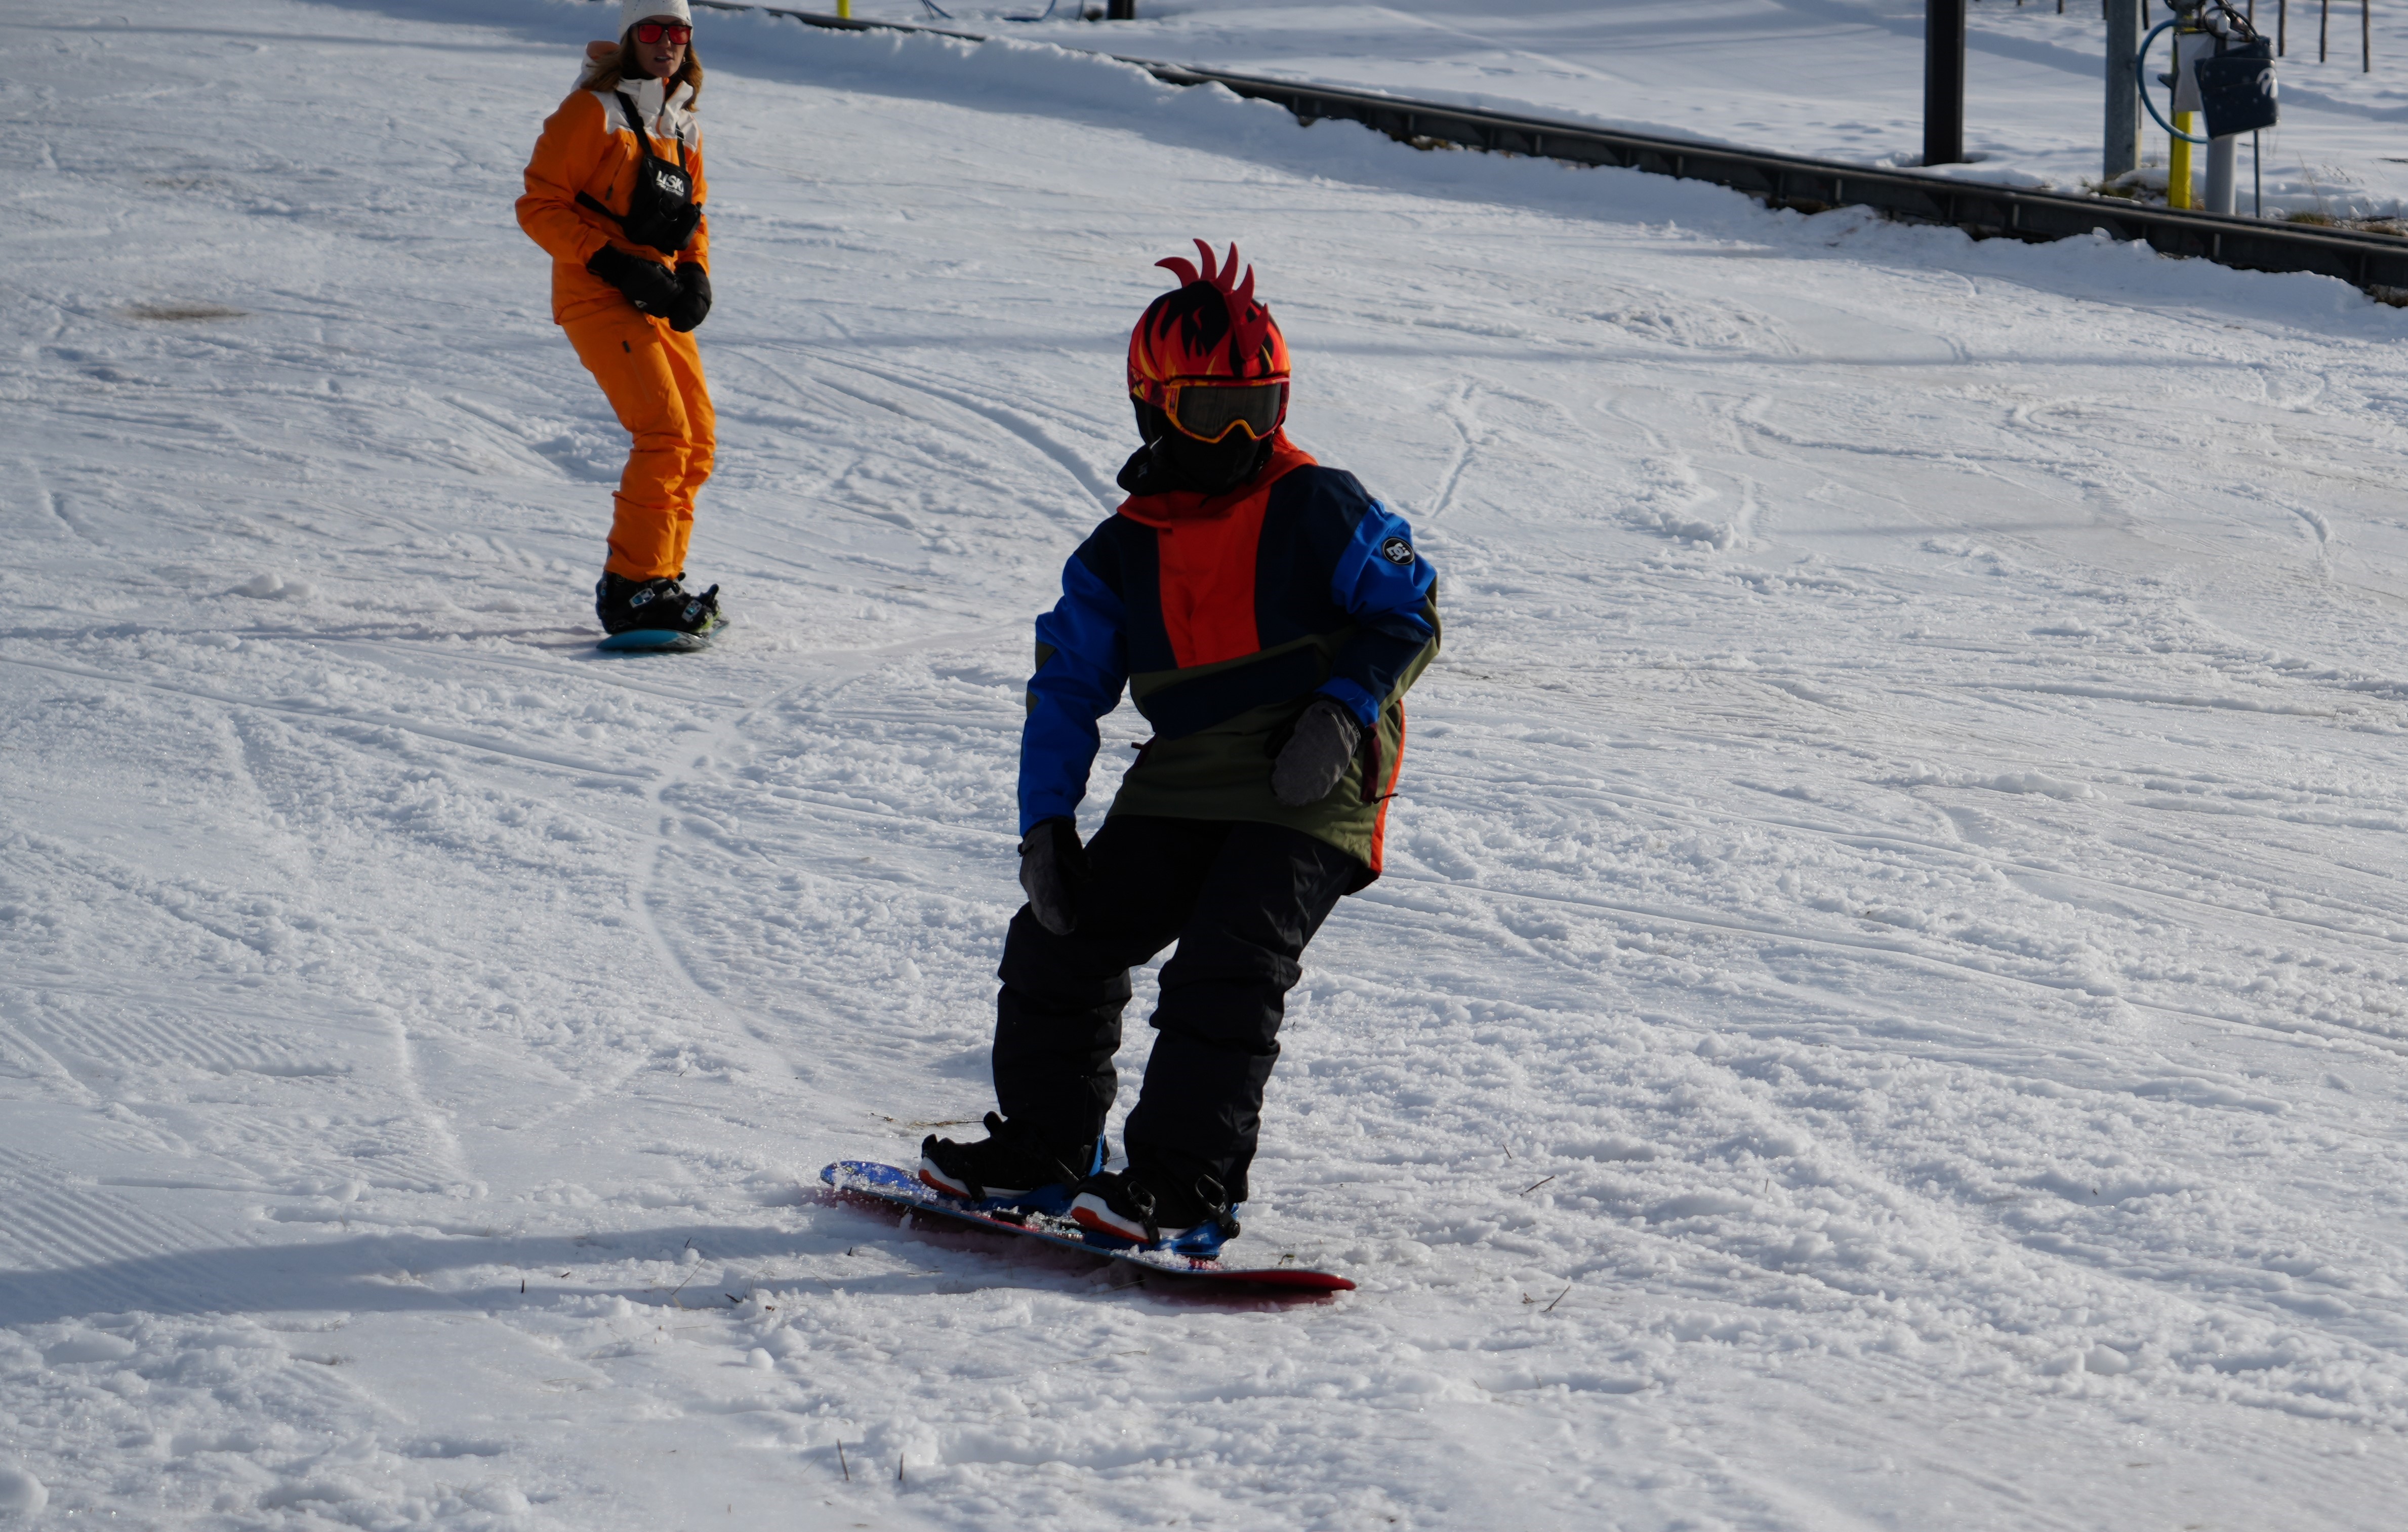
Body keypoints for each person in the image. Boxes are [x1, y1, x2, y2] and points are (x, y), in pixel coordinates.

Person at [920, 242, 1442, 1255]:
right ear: (1153, 409)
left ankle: (1184, 1181)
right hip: (1190, 768)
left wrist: (1340, 711)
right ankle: (1046, 1147)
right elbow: (1065, 690)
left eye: (1262, 408)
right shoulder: (1120, 552)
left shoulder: (1319, 503)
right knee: (1060, 937)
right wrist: (1044, 826)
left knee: (1227, 959)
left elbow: (1407, 612)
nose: (1242, 435)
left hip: (1311, 771)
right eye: (1212, 412)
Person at [516, 2, 722, 639]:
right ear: (631, 37)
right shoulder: (590, 111)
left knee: (696, 439)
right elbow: (538, 205)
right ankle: (632, 587)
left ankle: (661, 578)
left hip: (654, 292)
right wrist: (610, 260)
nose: (666, 43)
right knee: (663, 431)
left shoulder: (681, 123)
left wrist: (695, 274)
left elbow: (693, 216)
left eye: (677, 31)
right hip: (597, 292)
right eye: (651, 30)